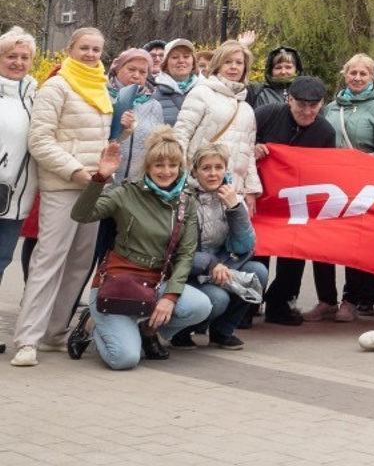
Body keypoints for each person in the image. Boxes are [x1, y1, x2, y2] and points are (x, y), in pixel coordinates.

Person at [60, 130, 209, 368]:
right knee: (125, 359)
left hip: (155, 283)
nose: (166, 171)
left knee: (200, 306)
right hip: (119, 282)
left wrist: (170, 297)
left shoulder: (185, 201)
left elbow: (185, 254)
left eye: (173, 165)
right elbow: (81, 214)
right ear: (147, 166)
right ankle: (92, 324)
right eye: (159, 164)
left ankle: (146, 328)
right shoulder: (126, 193)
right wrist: (100, 178)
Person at [9, 26, 112, 368]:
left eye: (96, 49)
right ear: (70, 48)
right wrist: (74, 170)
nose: (91, 54)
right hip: (63, 186)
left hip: (93, 187)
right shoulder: (57, 86)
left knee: (80, 263)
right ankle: (27, 339)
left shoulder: (101, 86)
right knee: (48, 261)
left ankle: (54, 333)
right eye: (84, 47)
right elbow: (39, 140)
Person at [309, 52, 374, 321]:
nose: (357, 78)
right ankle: (326, 299)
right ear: (345, 75)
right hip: (332, 186)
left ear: (372, 78)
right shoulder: (332, 107)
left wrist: (360, 162)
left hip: (363, 186)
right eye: (353, 73)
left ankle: (350, 300)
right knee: (321, 241)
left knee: (354, 244)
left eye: (363, 74)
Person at [253, 75, 337, 325]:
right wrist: (253, 147)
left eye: (314, 105)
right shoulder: (266, 114)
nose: (307, 111)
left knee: (294, 253)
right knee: (257, 252)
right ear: (289, 99)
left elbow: (327, 172)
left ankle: (280, 303)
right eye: (301, 104)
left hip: (297, 201)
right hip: (261, 198)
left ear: (322, 104)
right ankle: (248, 303)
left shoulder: (325, 131)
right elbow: (238, 145)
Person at [171, 142, 266, 349]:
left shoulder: (233, 197)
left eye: (218, 167)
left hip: (222, 265)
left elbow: (245, 246)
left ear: (225, 169)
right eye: (206, 168)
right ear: (195, 171)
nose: (213, 174)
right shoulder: (183, 199)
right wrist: (211, 265)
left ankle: (222, 332)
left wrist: (235, 208)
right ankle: (180, 332)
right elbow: (179, 252)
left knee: (258, 272)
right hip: (191, 270)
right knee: (218, 298)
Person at [173, 39, 262, 205]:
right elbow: (181, 135)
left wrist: (251, 190)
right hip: (197, 187)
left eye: (239, 62)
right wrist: (180, 177)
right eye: (228, 62)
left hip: (233, 191)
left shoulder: (246, 109)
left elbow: (248, 153)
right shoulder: (201, 93)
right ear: (218, 64)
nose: (234, 67)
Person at [117, 38, 201, 183]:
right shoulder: (154, 96)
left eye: (186, 57)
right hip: (111, 179)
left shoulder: (205, 91)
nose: (136, 75)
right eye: (174, 57)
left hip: (197, 171)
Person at [0, 29, 38, 297]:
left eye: (25, 57)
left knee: (2, 261)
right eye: (11, 56)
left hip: (18, 197)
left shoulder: (35, 94)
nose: (18, 62)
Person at [247, 45, 303, 110]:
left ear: (296, 70)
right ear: (271, 71)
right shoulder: (257, 91)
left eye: (288, 67)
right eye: (278, 68)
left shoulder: (306, 90)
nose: (283, 72)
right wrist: (243, 45)